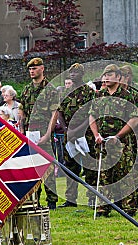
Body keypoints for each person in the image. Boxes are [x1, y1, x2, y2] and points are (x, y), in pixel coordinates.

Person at [89, 64, 138, 217]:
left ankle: (128, 208)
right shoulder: (99, 95)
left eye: (110, 75)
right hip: (103, 142)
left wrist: (118, 136)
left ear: (118, 77)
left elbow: (134, 119)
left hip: (121, 141)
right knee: (103, 176)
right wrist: (96, 134)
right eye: (105, 75)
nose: (106, 78)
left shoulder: (126, 95)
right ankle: (103, 208)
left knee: (125, 175)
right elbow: (92, 116)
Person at [19, 57, 58, 209]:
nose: (32, 71)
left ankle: (52, 200)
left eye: (34, 68)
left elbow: (54, 113)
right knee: (32, 167)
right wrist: (22, 131)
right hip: (30, 132)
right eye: (30, 69)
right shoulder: (27, 89)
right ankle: (34, 199)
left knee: (47, 166)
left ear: (42, 69)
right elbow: (21, 109)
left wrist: (48, 134)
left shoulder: (50, 88)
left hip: (43, 131)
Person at [56, 63, 95, 208]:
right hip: (69, 135)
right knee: (70, 167)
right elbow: (59, 112)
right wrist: (66, 130)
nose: (73, 75)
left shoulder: (89, 92)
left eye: (76, 73)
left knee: (90, 167)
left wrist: (77, 131)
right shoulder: (66, 92)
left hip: (86, 135)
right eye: (71, 73)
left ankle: (92, 198)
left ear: (82, 74)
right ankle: (71, 199)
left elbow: (91, 115)